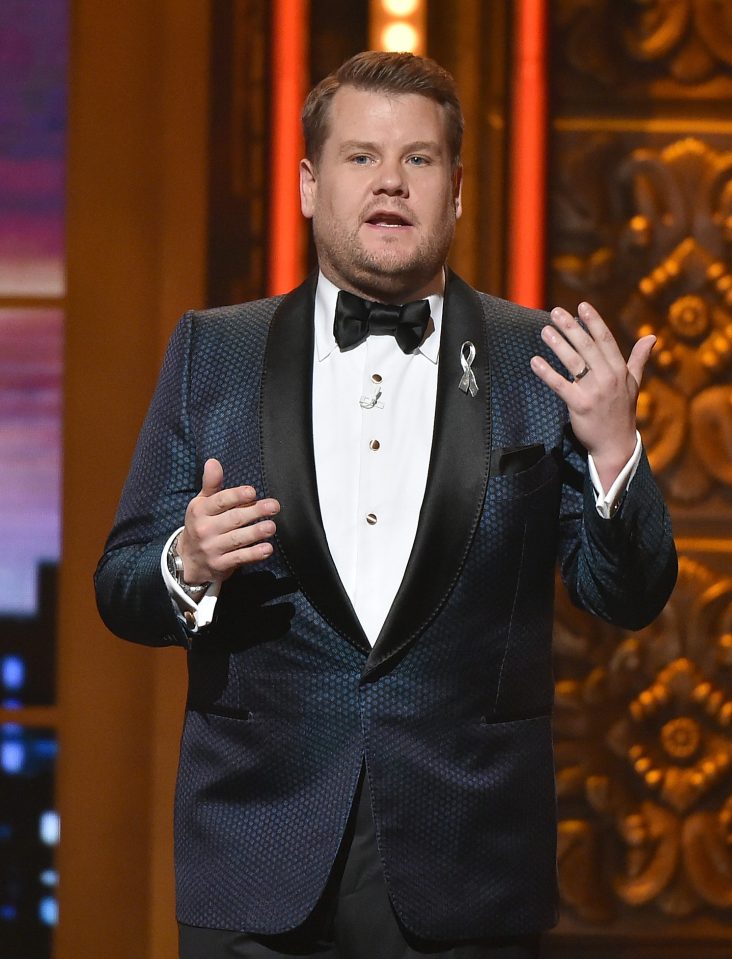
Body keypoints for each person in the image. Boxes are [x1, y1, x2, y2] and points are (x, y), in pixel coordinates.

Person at [95, 51, 677, 959]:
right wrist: (187, 561)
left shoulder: (541, 361)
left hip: (468, 865)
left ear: (455, 192)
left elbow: (626, 596)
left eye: (420, 159)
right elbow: (119, 587)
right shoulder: (214, 351)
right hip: (254, 856)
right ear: (307, 183)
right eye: (361, 157)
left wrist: (612, 449)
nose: (390, 183)